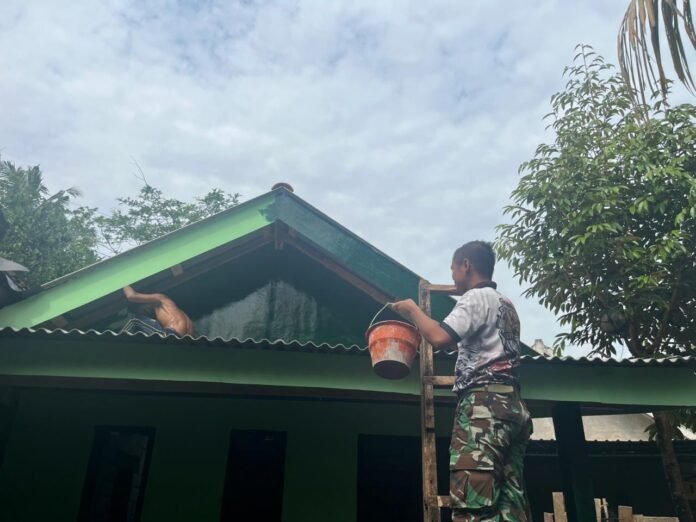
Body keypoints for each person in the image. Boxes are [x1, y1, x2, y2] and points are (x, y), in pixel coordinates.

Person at [390, 240, 532, 521]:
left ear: (466, 265)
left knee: (473, 501)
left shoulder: (475, 298)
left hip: (484, 408)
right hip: (513, 406)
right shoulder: (506, 304)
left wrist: (412, 310)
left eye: (453, 269)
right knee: (510, 505)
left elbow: (439, 337)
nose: (453, 277)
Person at [122, 285, 194, 337]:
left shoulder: (161, 298)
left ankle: (116, 342)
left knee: (134, 320)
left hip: (171, 335)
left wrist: (124, 283)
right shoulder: (178, 312)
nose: (146, 311)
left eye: (144, 309)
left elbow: (131, 296)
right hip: (185, 341)